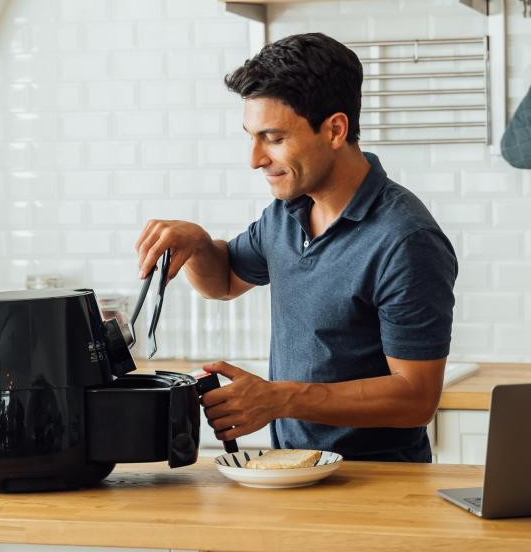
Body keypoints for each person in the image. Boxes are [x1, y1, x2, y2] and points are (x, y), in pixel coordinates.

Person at [134, 32, 457, 462]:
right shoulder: (286, 213)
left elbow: (416, 398)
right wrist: (197, 244)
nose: (255, 159)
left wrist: (280, 399)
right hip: (293, 472)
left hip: (377, 484)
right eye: (251, 136)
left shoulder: (405, 240)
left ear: (335, 130)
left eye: (273, 137)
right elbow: (224, 281)